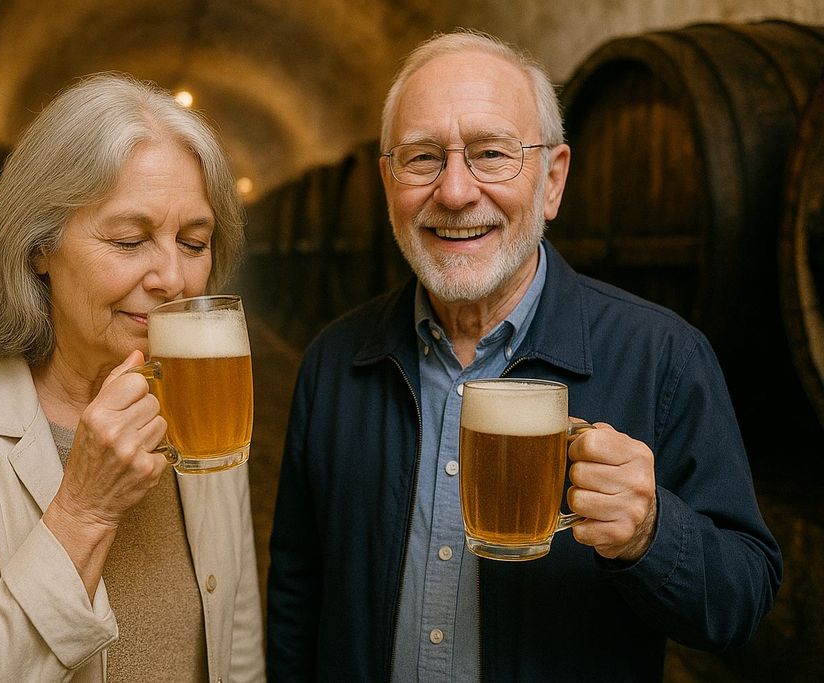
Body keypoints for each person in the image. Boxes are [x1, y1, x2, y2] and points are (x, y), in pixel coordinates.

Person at [266, 29, 782, 681]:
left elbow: (742, 603)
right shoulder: (335, 360)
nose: (455, 192)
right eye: (423, 157)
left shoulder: (663, 356)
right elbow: (298, 590)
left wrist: (653, 532)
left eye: (491, 153)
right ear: (387, 181)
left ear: (553, 180)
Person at [0, 72, 265, 682]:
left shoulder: (207, 406)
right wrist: (84, 512)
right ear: (38, 246)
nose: (172, 279)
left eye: (192, 242)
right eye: (129, 240)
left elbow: (235, 645)